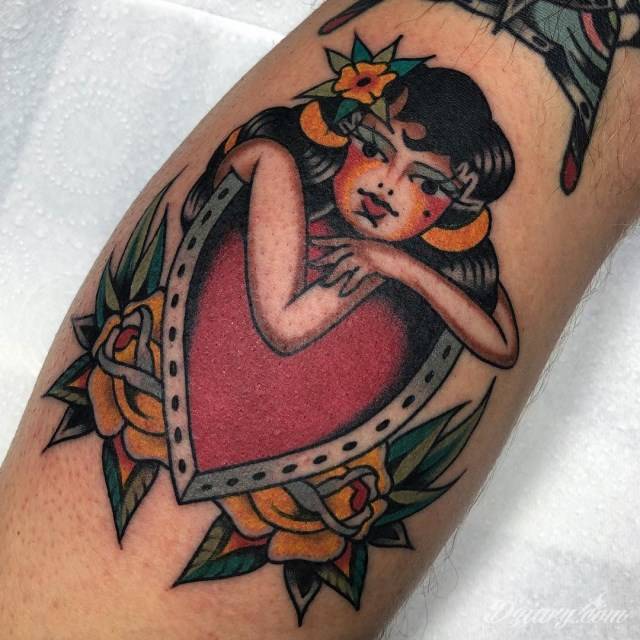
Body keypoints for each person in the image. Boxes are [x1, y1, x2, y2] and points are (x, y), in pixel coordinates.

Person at [0, 1, 638, 638]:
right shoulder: (279, 169)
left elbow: (498, 338)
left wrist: (397, 265)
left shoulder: (401, 261)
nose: (386, 185)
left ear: (453, 207)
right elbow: (283, 325)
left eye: (426, 182)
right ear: (341, 133)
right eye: (374, 147)